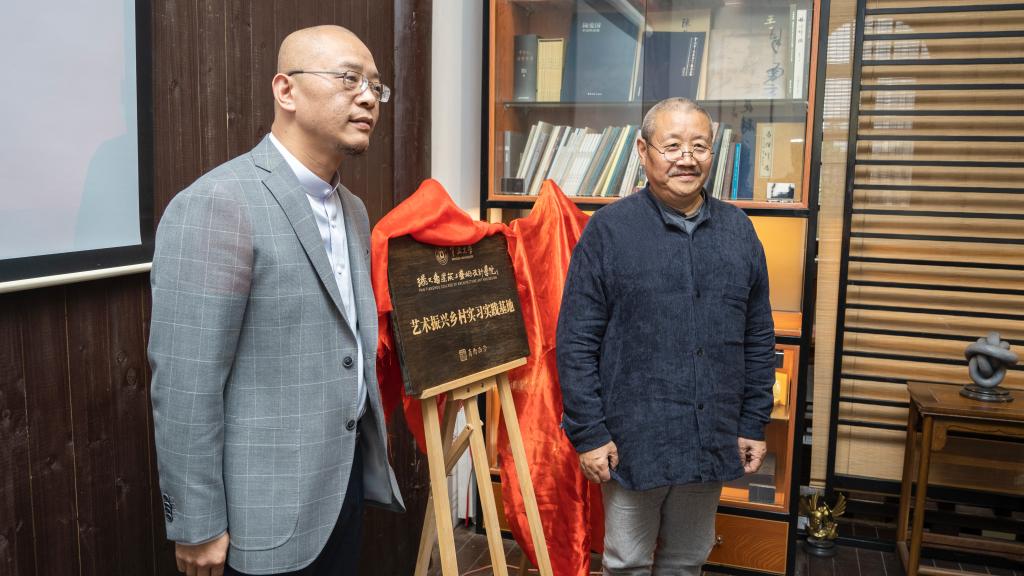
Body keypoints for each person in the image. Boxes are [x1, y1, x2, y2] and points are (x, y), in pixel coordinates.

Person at [148, 25, 404, 576]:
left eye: (376, 86)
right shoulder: (220, 202)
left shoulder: (354, 209)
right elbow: (186, 380)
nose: (368, 97)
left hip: (341, 486)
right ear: (286, 90)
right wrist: (196, 523)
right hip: (260, 511)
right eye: (349, 78)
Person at [556, 97, 776, 575]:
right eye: (672, 145)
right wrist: (589, 433)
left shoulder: (739, 231)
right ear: (643, 150)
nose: (687, 158)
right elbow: (576, 341)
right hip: (633, 438)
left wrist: (752, 421)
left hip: (711, 432)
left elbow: (759, 336)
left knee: (687, 559)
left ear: (712, 152)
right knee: (627, 561)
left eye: (699, 146)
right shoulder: (608, 230)